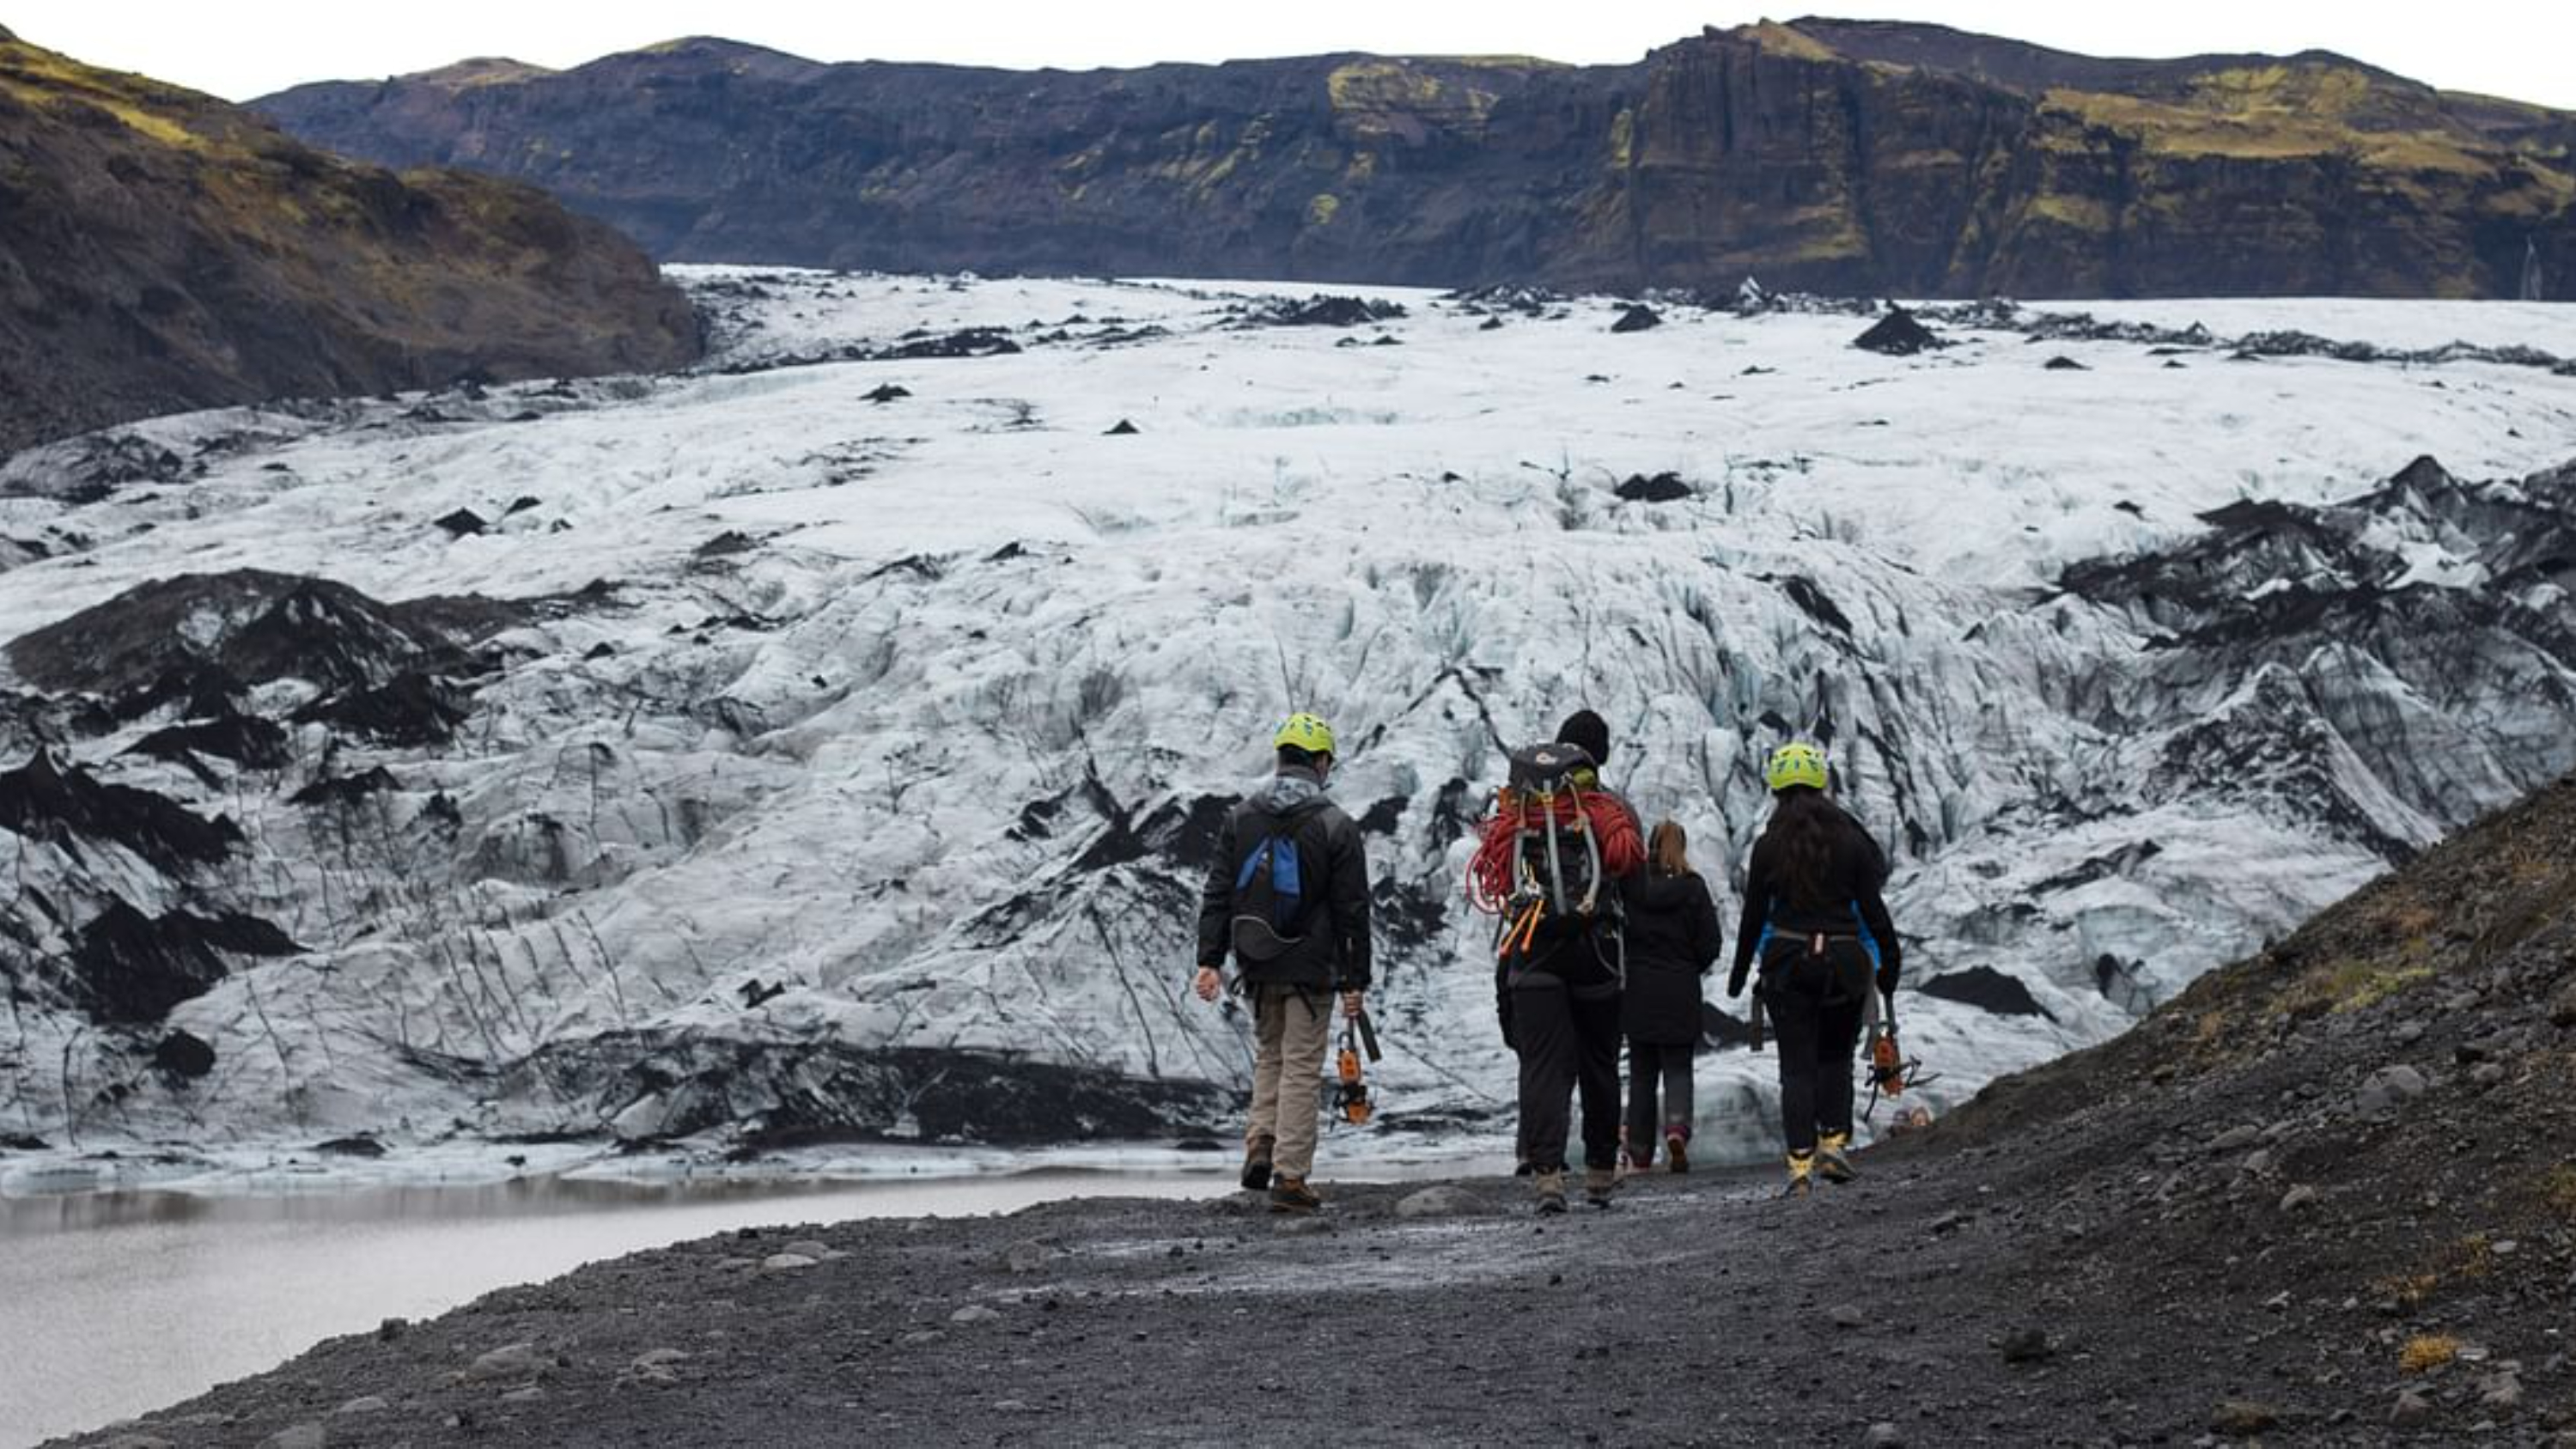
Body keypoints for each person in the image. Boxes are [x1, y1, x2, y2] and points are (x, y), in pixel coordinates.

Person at [1194, 712, 1372, 1214]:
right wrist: (1356, 977)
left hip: (1256, 960)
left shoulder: (1240, 817)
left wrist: (1210, 959)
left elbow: (1219, 893)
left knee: (1270, 1056)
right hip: (1311, 967)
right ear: (1319, 762)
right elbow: (1352, 910)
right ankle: (1290, 1177)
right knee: (1300, 1067)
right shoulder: (1337, 824)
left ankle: (1260, 1145)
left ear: (1280, 758)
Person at [1471, 709, 1644, 1213]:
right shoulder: (1612, 811)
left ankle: (1547, 1175)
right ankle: (1599, 1172)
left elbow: (1500, 879)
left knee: (1543, 1066)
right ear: (1599, 756)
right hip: (1597, 952)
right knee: (1599, 1062)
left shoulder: (1521, 811)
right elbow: (1638, 882)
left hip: (1533, 951)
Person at [1726, 740, 1901, 1196]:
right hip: (1845, 962)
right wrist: (1889, 966)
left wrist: (1739, 973)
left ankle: (1799, 1165)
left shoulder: (1768, 846)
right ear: (1822, 784)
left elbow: (1753, 918)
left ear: (1777, 789)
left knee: (1797, 1067)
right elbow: (1873, 911)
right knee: (1835, 1059)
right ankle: (1834, 1144)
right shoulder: (1850, 841)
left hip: (1787, 963)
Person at [1619, 819, 1721, 1173]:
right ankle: (1676, 1129)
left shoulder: (1630, 886)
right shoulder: (1694, 889)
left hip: (1638, 988)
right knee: (1678, 1067)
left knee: (1642, 1072)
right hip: (1680, 987)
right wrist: (1690, 965)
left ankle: (1640, 1151)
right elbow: (1711, 942)